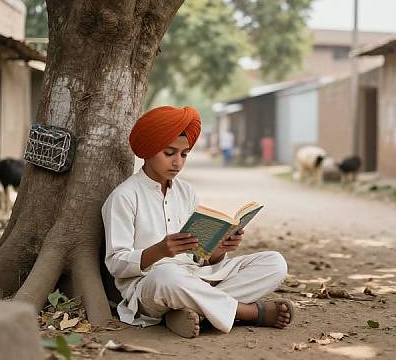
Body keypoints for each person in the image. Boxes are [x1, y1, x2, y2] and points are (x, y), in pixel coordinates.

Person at [102, 106, 293, 338]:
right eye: (169, 153)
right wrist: (160, 250)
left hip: (196, 277)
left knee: (274, 262)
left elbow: (199, 257)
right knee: (168, 276)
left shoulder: (186, 192)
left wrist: (218, 251)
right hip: (151, 286)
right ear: (148, 151)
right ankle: (248, 312)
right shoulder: (124, 196)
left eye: (184, 154)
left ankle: (189, 312)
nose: (178, 163)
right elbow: (115, 263)